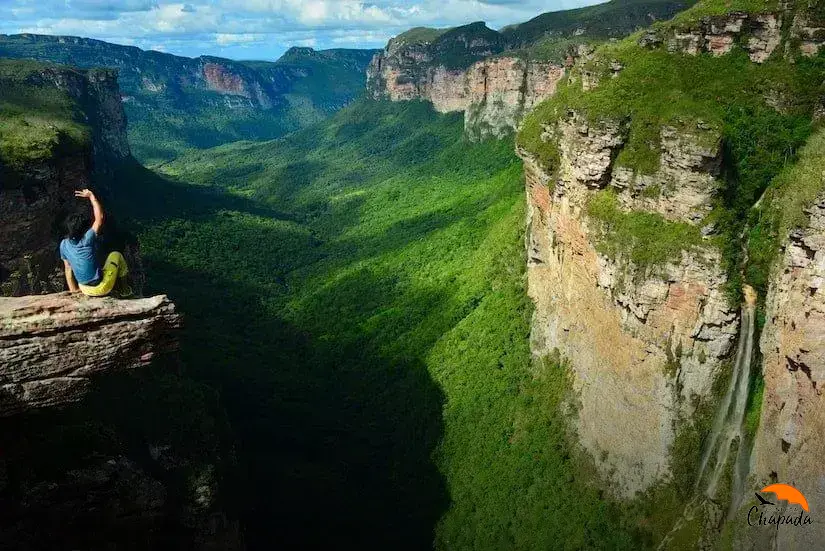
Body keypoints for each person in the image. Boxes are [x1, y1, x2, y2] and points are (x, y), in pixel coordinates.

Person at [60, 189, 131, 297]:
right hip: (101, 287)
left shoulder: (64, 244)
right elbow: (99, 218)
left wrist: (74, 292)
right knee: (116, 255)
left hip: (83, 289)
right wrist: (91, 196)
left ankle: (77, 290)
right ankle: (125, 290)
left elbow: (68, 269)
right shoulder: (88, 239)